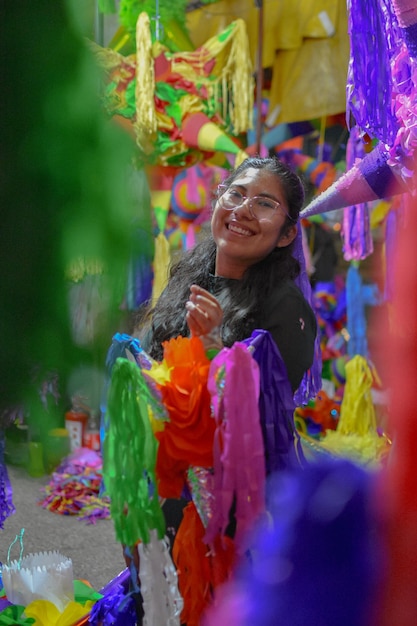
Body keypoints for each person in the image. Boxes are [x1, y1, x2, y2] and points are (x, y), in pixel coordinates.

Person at [139, 155, 317, 394]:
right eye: (235, 194)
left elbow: (266, 412)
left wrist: (214, 349)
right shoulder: (187, 281)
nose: (243, 210)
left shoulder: (286, 307)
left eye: (265, 204)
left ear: (287, 234)